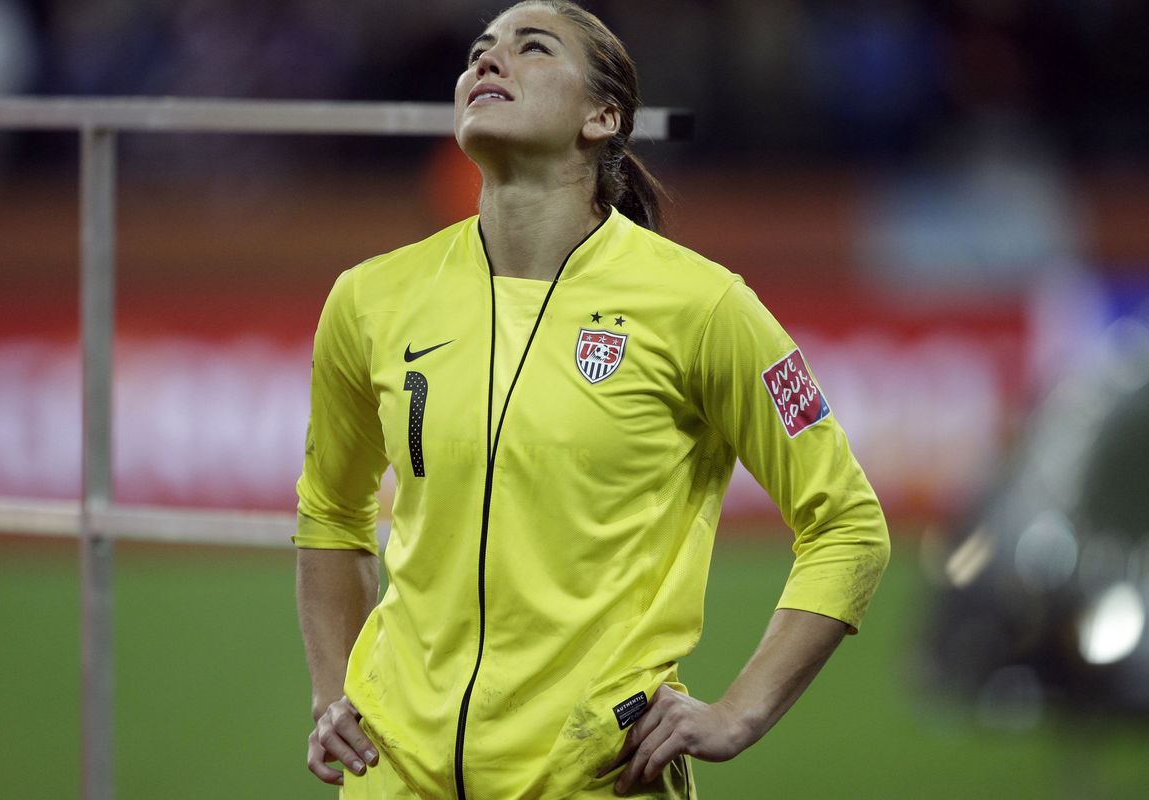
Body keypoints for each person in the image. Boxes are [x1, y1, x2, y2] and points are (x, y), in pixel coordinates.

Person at [295, 2, 890, 797]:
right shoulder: (370, 298)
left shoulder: (702, 307)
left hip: (597, 780)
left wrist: (740, 713)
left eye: (530, 47)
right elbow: (329, 514)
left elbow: (848, 524)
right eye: (479, 51)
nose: (487, 62)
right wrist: (334, 691)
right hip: (392, 780)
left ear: (602, 116)